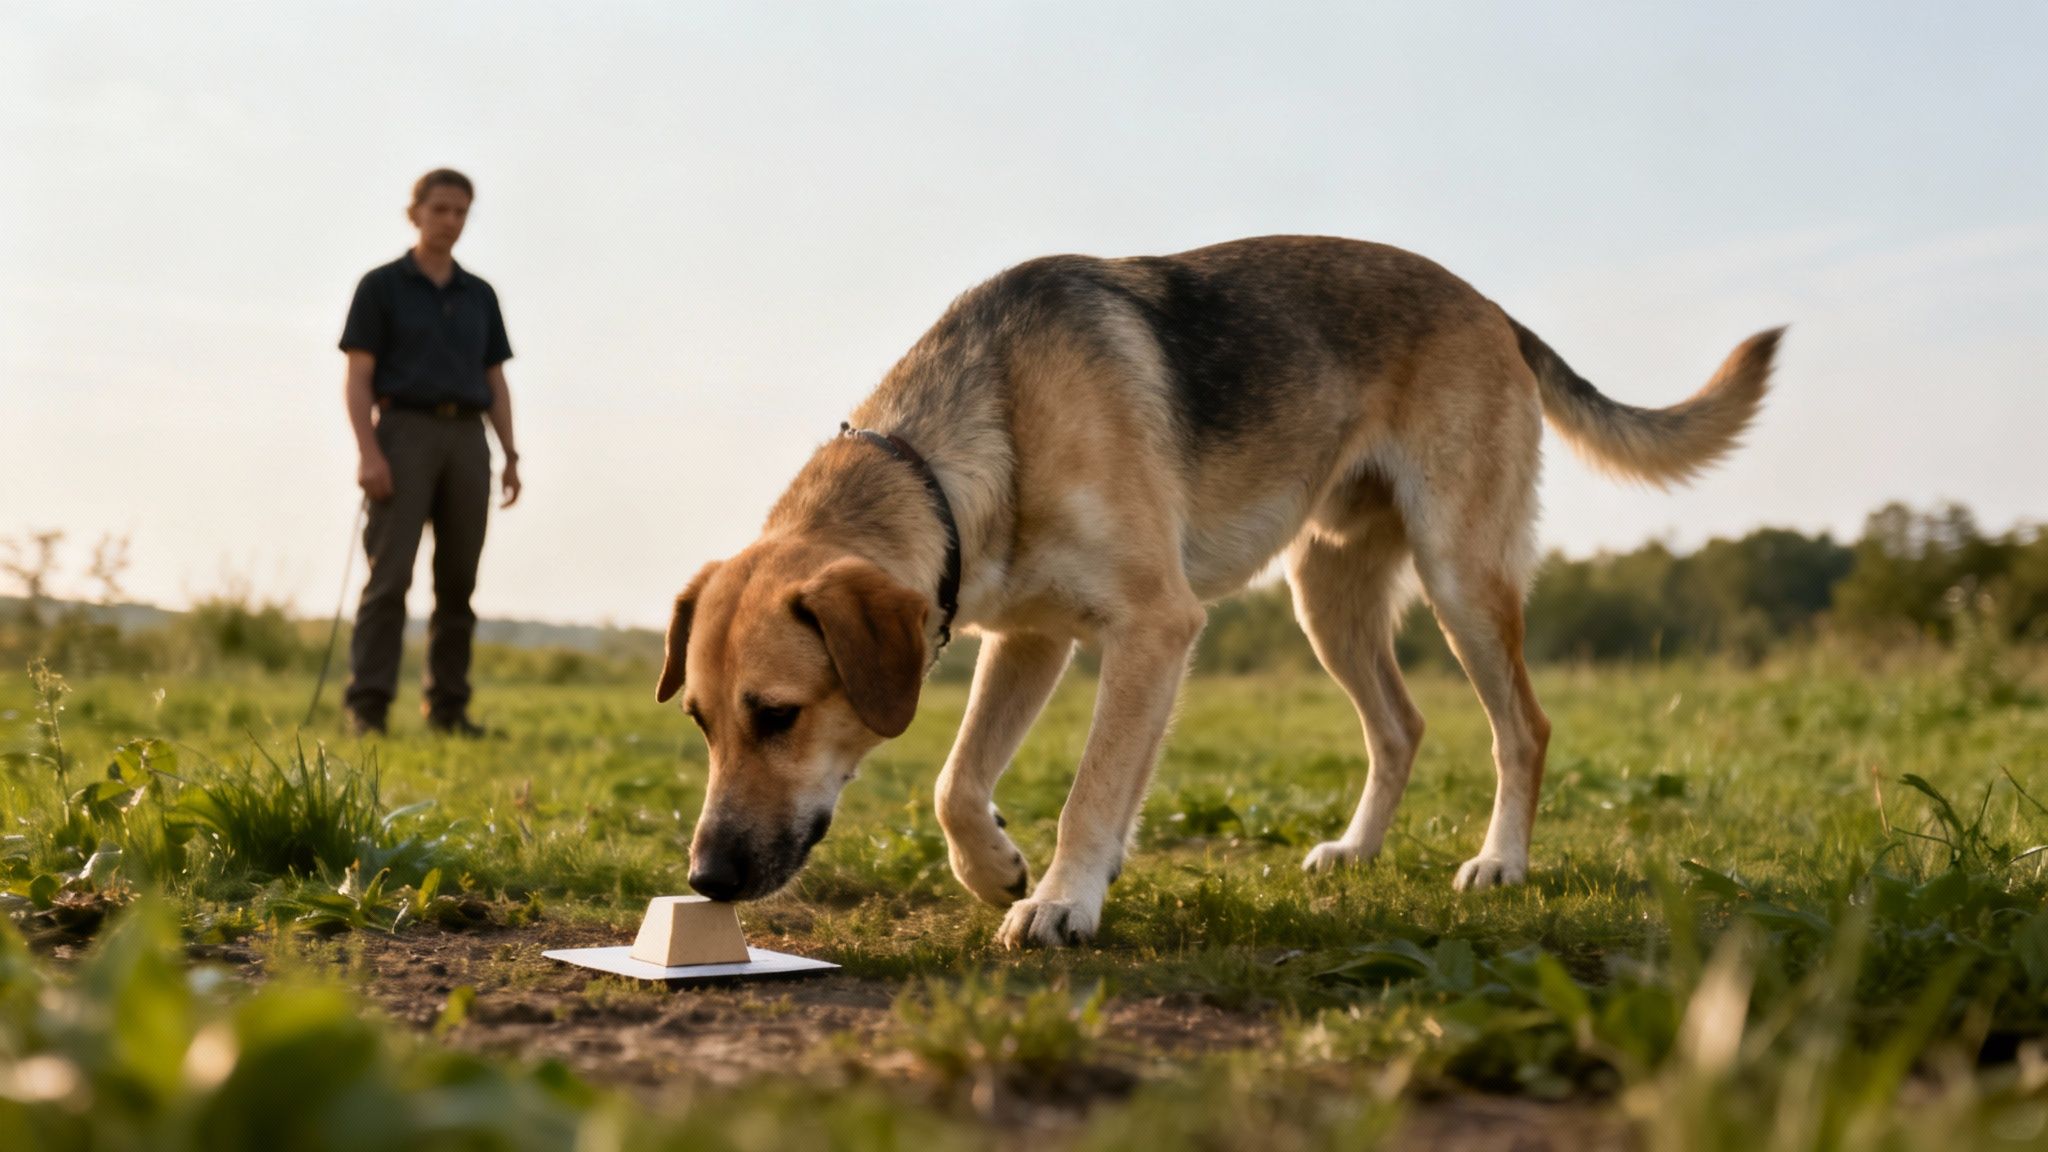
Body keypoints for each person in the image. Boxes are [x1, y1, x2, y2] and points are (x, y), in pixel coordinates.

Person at [338, 168, 522, 737]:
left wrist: (511, 454)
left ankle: (447, 710)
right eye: (440, 209)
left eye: (461, 212)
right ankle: (367, 709)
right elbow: (358, 378)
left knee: (458, 583)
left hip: (468, 439)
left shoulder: (480, 295)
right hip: (403, 433)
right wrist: (369, 454)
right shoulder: (381, 287)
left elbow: (495, 379)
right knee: (389, 578)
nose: (450, 221)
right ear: (414, 212)